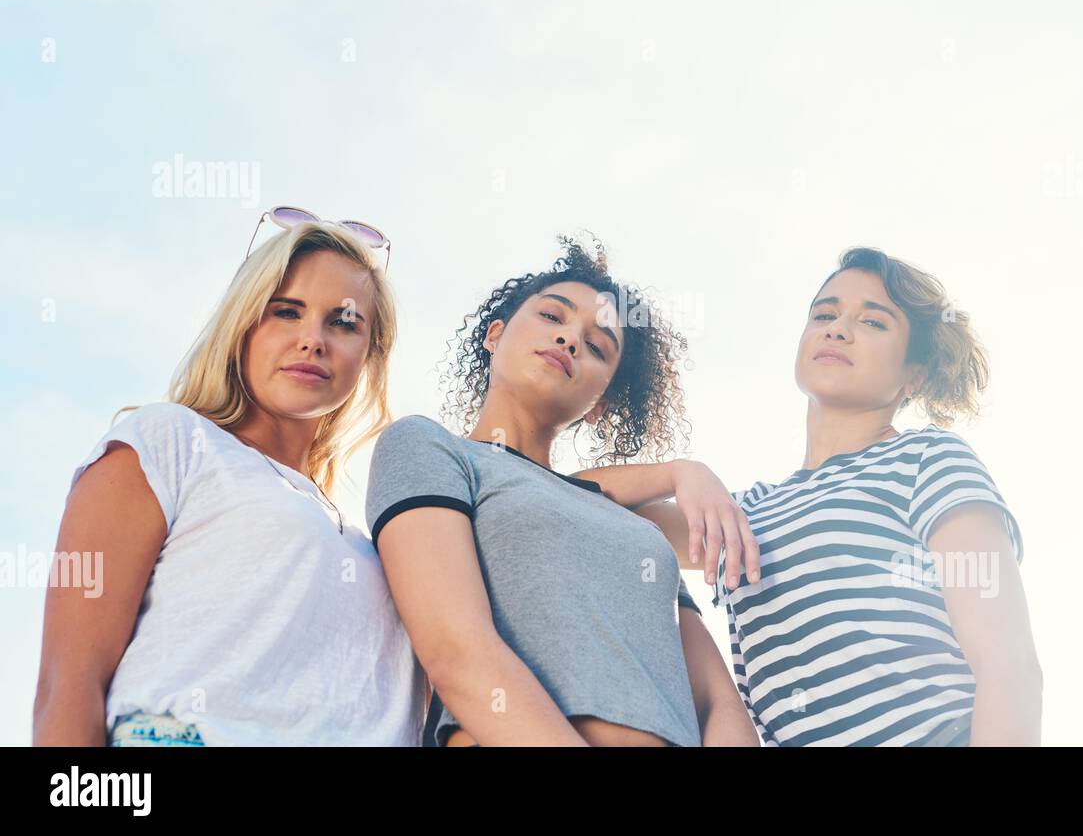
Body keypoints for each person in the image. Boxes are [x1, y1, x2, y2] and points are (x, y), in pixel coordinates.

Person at [579, 247, 1043, 745]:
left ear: (915, 376)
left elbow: (1008, 667)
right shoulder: (745, 514)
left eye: (874, 322)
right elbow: (577, 499)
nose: (837, 328)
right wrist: (679, 473)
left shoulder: (929, 459)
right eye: (825, 314)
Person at [32, 211, 424, 746]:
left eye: (344, 321)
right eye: (286, 312)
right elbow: (68, 683)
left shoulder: (378, 547)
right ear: (243, 324)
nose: (313, 340)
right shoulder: (169, 441)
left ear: (370, 354)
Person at [365, 235, 756, 746]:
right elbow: (457, 651)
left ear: (599, 404)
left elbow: (718, 701)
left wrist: (686, 470)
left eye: (596, 347)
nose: (571, 340)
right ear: (494, 334)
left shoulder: (635, 531)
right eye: (553, 317)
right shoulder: (431, 448)